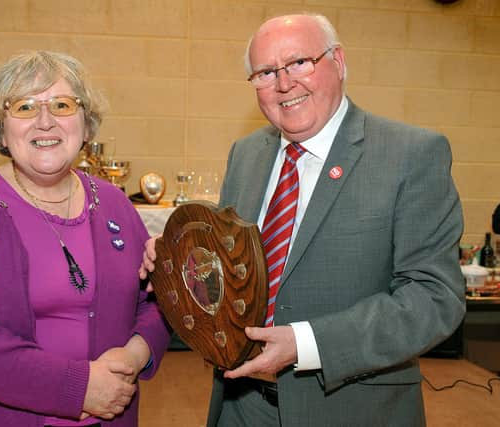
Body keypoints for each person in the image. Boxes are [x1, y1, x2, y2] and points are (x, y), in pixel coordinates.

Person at [140, 13, 465, 426]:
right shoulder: (246, 155)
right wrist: (180, 262)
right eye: (265, 72)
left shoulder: (411, 155)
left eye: (299, 63)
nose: (284, 83)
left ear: (339, 62)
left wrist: (307, 343)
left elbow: (434, 298)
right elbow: (232, 270)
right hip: (241, 405)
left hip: (349, 408)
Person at [0, 51, 170, 427]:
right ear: (1, 129)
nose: (45, 121)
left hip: (113, 416)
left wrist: (135, 355)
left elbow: (157, 299)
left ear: (86, 126)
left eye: (62, 104)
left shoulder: (115, 203)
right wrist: (78, 387)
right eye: (24, 106)